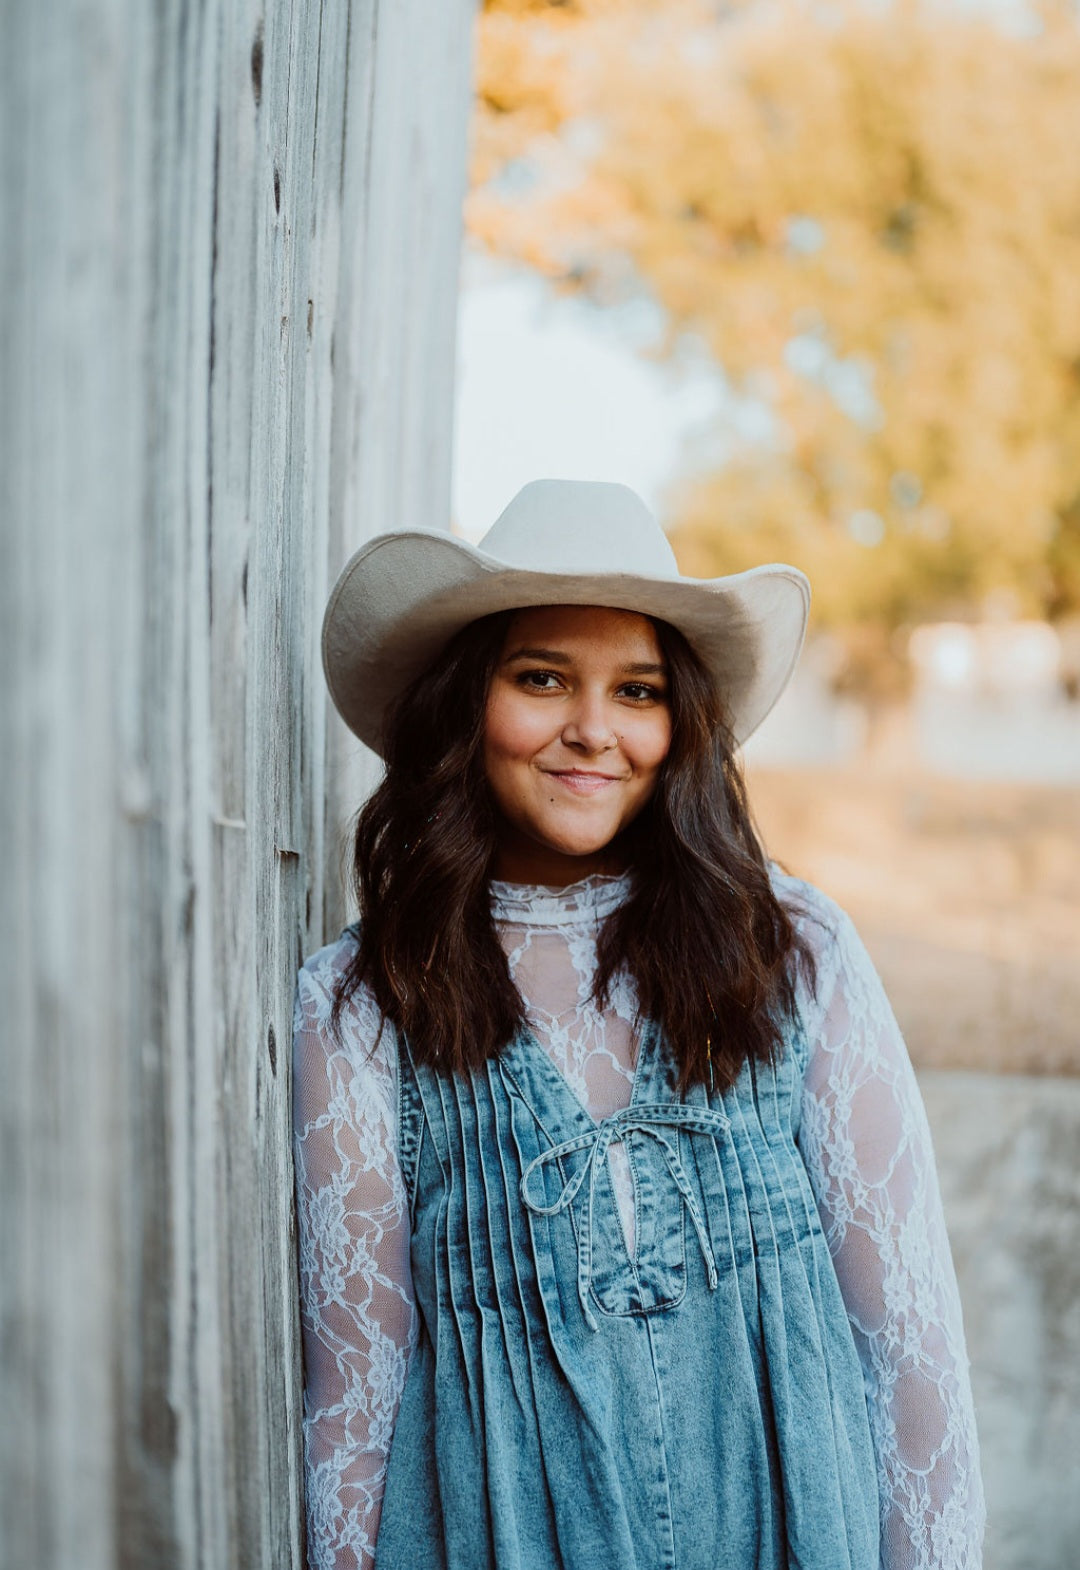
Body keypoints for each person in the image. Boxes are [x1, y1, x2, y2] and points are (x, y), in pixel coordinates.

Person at [292, 479, 986, 1570]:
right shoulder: (366, 999)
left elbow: (906, 1341)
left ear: (682, 723)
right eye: (541, 679)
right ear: (467, 704)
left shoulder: (791, 949)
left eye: (638, 689)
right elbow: (353, 1388)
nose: (592, 729)